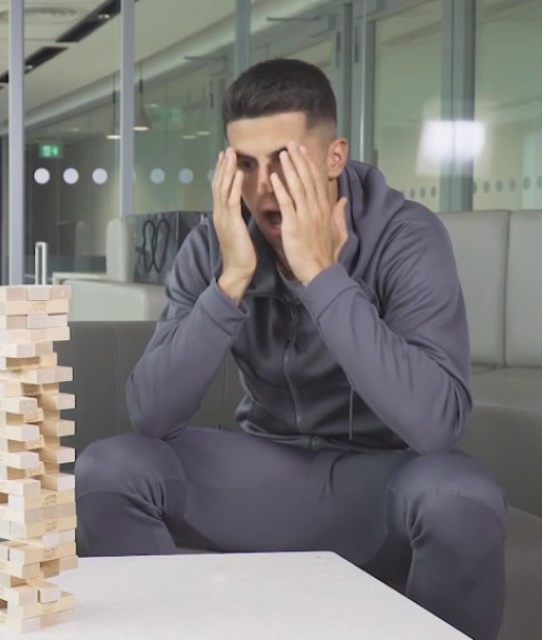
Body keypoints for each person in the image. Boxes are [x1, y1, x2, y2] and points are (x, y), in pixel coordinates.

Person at [76, 59, 506, 640]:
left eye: (283, 162)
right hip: (265, 472)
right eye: (245, 165)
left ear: (335, 157)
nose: (261, 189)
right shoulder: (214, 244)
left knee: (462, 494)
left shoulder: (407, 235)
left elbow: (436, 427)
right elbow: (151, 414)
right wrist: (229, 281)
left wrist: (321, 274)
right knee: (110, 468)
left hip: (379, 485)